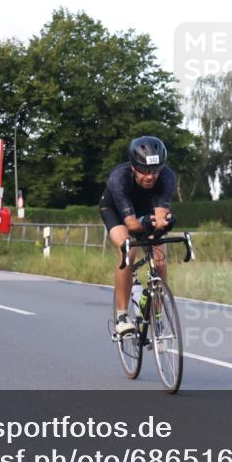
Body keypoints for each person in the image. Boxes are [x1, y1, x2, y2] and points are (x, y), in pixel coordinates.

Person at [99, 136, 176, 336]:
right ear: (134, 167)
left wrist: (163, 223)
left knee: (160, 260)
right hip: (116, 212)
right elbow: (131, 224)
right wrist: (146, 223)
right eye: (145, 171)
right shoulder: (119, 177)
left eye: (155, 170)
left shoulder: (166, 177)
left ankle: (157, 314)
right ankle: (122, 317)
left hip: (146, 210)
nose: (150, 176)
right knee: (128, 250)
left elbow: (159, 216)